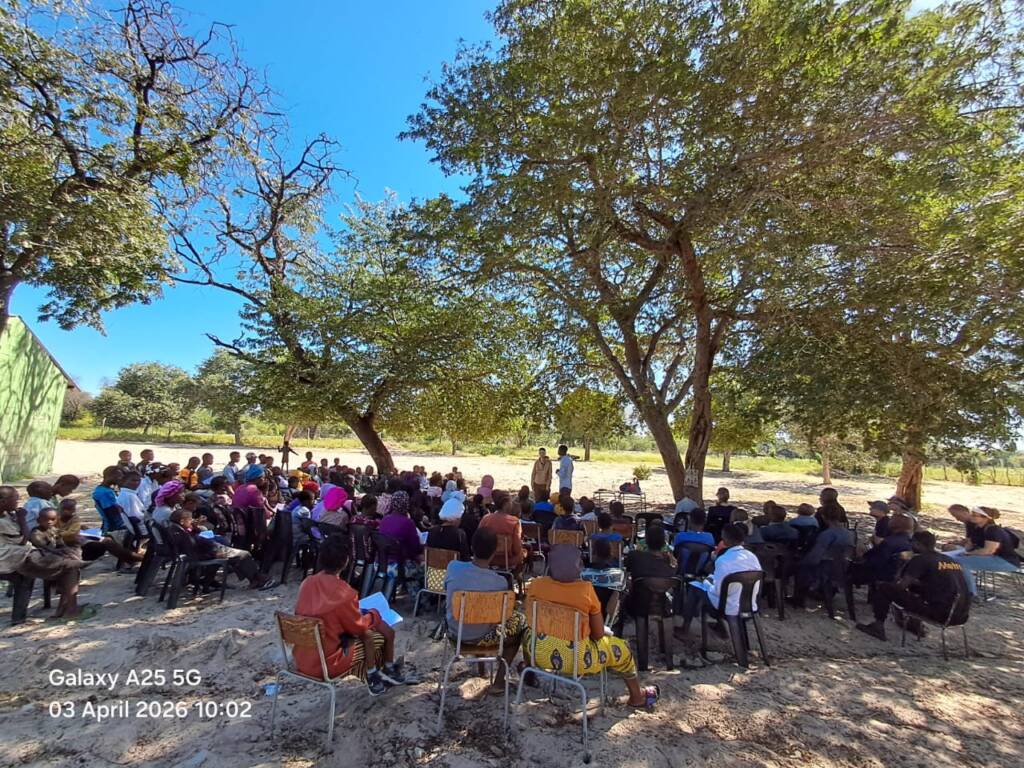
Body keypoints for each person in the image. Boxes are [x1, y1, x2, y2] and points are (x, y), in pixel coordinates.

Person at [526, 544, 659, 708]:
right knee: (623, 649)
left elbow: (531, 621)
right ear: (578, 566)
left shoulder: (536, 586)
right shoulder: (585, 590)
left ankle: (529, 672)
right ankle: (637, 697)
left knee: (525, 632)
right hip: (579, 660)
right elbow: (597, 635)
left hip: (539, 653)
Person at [293, 535, 412, 694]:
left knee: (363, 636)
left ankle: (377, 674)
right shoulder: (344, 592)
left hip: (303, 658)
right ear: (346, 561)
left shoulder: (307, 583)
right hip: (327, 664)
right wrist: (374, 614)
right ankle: (376, 675)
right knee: (374, 636)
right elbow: (359, 627)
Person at [444, 528, 526, 691]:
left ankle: (482, 670)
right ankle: (499, 681)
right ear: (494, 551)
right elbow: (499, 619)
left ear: (472, 547)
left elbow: (446, 589)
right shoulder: (499, 583)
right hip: (482, 635)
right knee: (520, 623)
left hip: (455, 631)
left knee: (477, 614)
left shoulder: (453, 567)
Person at [856, 530, 970, 641]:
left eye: (912, 542)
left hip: (940, 614)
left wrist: (902, 566)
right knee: (915, 588)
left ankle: (878, 625)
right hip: (961, 614)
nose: (910, 545)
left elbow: (900, 586)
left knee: (884, 587)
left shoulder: (921, 559)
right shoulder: (950, 560)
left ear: (918, 544)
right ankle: (913, 624)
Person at [0, 486, 91, 620]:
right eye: (15, 499)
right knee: (67, 565)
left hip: (19, 553)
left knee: (69, 564)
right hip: (8, 557)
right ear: (3, 501)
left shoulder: (7, 515)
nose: (17, 503)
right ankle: (69, 609)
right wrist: (22, 519)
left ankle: (67, 609)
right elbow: (23, 539)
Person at [680, 523, 763, 634]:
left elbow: (717, 591)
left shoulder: (723, 560)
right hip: (750, 606)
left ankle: (685, 628)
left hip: (726, 608)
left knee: (695, 586)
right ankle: (719, 626)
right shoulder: (752, 556)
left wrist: (707, 582)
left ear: (725, 540)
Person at [167, 507, 271, 590]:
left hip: (210, 549)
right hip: (211, 552)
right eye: (189, 520)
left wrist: (195, 528)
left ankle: (254, 578)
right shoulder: (184, 535)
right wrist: (212, 554)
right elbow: (195, 549)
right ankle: (257, 579)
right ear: (182, 521)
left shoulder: (181, 530)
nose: (192, 521)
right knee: (244, 554)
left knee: (238, 554)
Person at [947, 507, 1021, 595]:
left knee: (959, 564)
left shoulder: (992, 530)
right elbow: (970, 545)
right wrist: (967, 548)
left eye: (975, 515)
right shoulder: (977, 528)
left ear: (985, 518)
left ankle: (969, 592)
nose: (972, 516)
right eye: (972, 514)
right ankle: (952, 586)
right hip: (989, 556)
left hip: (1004, 560)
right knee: (946, 557)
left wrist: (969, 553)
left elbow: (989, 550)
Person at [791, 506, 855, 607]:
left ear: (824, 517)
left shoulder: (827, 534)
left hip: (826, 569)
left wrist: (802, 561)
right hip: (844, 567)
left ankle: (798, 599)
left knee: (801, 567)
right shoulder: (850, 534)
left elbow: (815, 557)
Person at [92, 467, 144, 564]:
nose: (121, 479)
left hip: (118, 522)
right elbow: (112, 511)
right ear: (109, 476)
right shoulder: (103, 492)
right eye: (119, 476)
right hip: (116, 525)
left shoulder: (107, 490)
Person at [849, 514, 914, 588]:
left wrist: (861, 556)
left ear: (895, 525)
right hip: (896, 573)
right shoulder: (910, 542)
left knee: (842, 567)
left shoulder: (889, 542)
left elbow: (874, 562)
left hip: (881, 574)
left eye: (891, 520)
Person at [477, 491, 524, 570]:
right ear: (506, 504)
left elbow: (478, 540)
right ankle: (517, 576)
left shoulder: (486, 519)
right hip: (508, 561)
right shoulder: (514, 522)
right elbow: (516, 549)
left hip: (487, 559)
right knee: (523, 553)